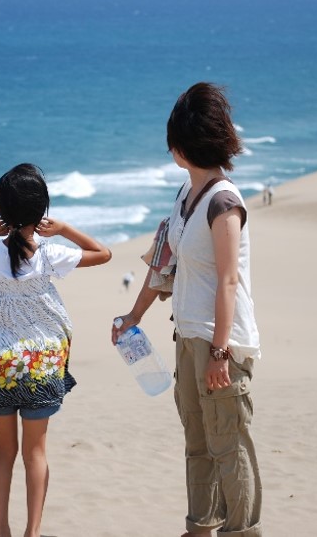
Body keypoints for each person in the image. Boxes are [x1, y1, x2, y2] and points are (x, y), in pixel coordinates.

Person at [112, 83, 262, 537]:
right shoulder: (186, 195)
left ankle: (242, 532)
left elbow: (229, 281)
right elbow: (164, 263)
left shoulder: (224, 202)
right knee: (198, 443)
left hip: (221, 344)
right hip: (188, 337)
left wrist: (219, 352)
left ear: (182, 148)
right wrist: (134, 316)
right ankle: (200, 528)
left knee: (229, 446)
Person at [0, 163, 111, 537]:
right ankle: (33, 531)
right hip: (41, 364)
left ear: (2, 212)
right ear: (41, 211)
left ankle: (0, 528)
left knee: (3, 452)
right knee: (35, 453)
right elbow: (102, 253)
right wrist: (64, 228)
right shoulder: (50, 254)